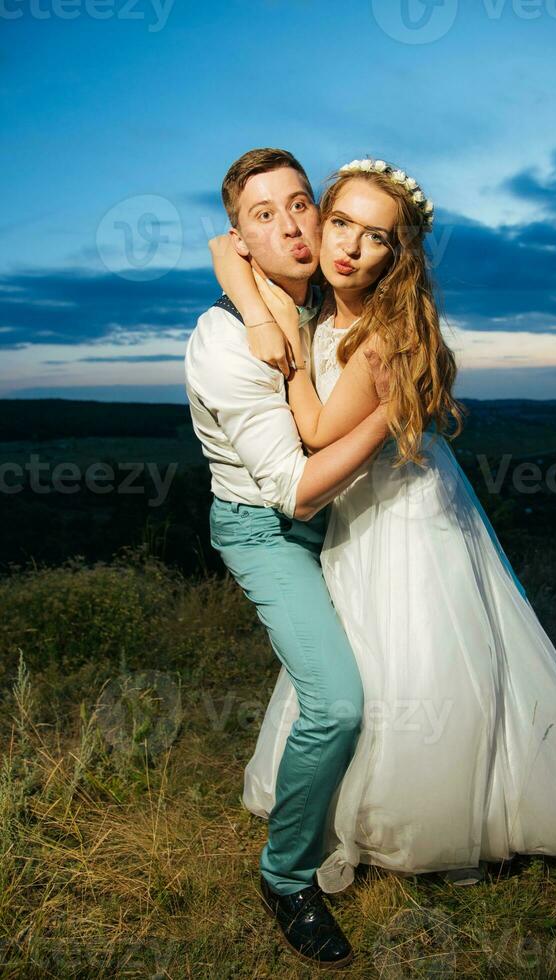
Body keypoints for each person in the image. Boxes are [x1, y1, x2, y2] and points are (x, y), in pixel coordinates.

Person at [209, 154, 556, 896]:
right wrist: (259, 308)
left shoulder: (377, 332)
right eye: (341, 221)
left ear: (398, 255)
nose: (349, 246)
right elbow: (229, 249)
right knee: (364, 655)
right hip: (360, 502)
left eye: (375, 237)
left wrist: (284, 346)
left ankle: (438, 810)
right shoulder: (318, 287)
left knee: (418, 652)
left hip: (399, 508)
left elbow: (317, 433)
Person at [185, 148, 393, 969]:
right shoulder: (224, 339)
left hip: (344, 510)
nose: (292, 224)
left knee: (400, 655)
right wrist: (395, 420)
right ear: (237, 239)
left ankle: (383, 815)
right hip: (267, 527)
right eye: (262, 215)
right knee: (338, 701)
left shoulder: (323, 302)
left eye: (301, 203)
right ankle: (286, 875)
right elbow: (296, 490)